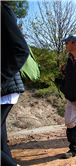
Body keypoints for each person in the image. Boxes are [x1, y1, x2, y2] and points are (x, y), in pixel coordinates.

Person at [0, 1, 29, 165]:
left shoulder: (2, 12)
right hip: (4, 88)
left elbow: (21, 50)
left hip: (4, 86)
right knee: (1, 142)